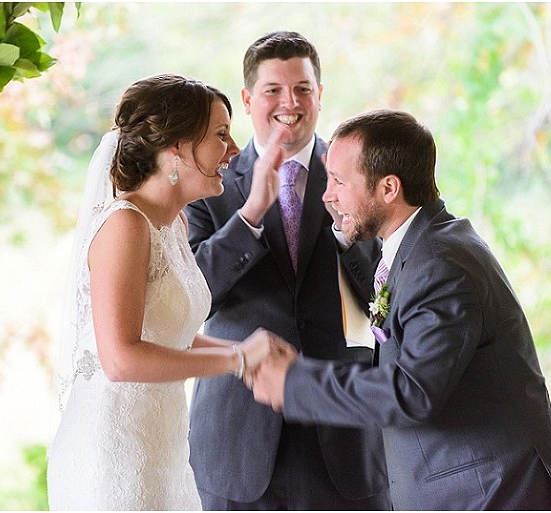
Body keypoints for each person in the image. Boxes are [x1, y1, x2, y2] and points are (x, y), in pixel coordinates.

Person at [249, 108, 551, 510]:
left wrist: (295, 383)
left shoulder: (441, 266)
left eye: (338, 181)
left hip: (492, 492)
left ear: (389, 188)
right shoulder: (420, 247)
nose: (326, 195)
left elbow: (412, 391)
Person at [47, 74, 276, 511]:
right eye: (221, 135)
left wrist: (246, 352)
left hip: (162, 445)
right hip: (114, 451)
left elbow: (170, 333)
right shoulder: (125, 225)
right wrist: (236, 360)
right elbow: (120, 358)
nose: (233, 150)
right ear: (175, 148)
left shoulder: (175, 224)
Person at [185, 32, 390, 510]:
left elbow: (388, 297)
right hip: (238, 429)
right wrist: (251, 214)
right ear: (248, 98)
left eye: (302, 89)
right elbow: (191, 297)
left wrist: (345, 235)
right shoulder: (208, 178)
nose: (289, 103)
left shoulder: (359, 170)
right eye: (274, 90)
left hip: (345, 428)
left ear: (320, 95)